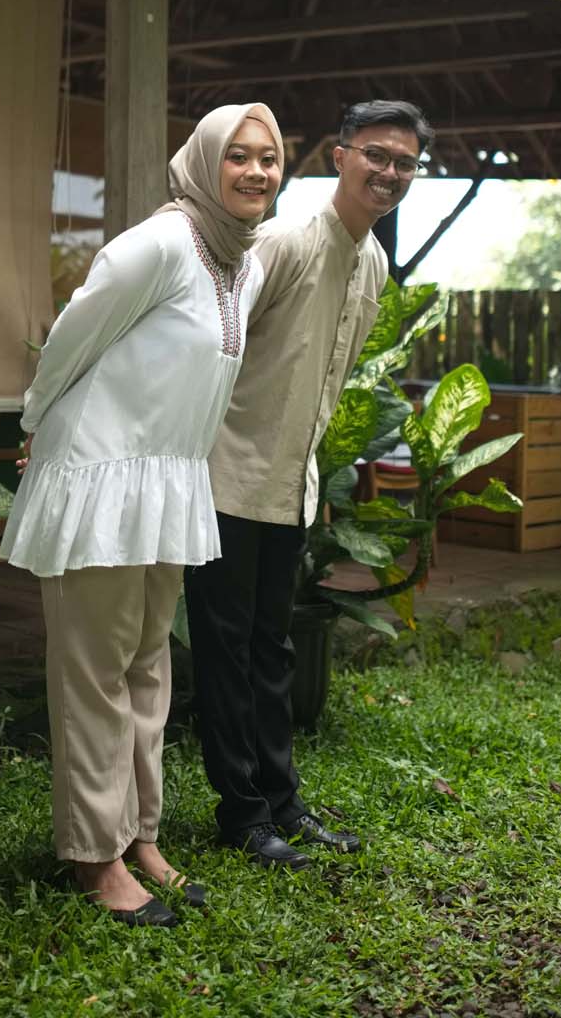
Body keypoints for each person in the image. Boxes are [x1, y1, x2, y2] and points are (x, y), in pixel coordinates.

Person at [0, 102, 284, 924]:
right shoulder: (156, 244)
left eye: (269, 157)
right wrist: (35, 423)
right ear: (203, 161)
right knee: (95, 673)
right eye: (238, 155)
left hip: (168, 479)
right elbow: (71, 337)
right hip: (100, 474)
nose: (256, 171)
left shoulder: (243, 265)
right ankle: (95, 856)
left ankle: (140, 836)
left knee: (147, 668)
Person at [185, 99, 433, 869]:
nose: (388, 172)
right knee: (227, 653)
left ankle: (284, 805)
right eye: (376, 155)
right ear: (340, 155)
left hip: (290, 486)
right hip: (225, 477)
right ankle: (242, 815)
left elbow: (326, 381)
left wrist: (311, 477)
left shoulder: (373, 264)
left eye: (404, 162)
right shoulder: (283, 242)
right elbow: (209, 342)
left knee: (272, 649)